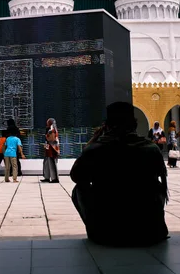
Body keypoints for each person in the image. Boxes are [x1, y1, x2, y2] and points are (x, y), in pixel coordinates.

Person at [71, 102, 168, 246]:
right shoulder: (150, 149)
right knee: (156, 185)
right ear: (134, 125)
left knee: (79, 189)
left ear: (107, 125)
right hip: (149, 233)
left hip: (108, 234)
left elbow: (76, 176)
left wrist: (94, 140)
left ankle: (97, 228)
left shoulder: (96, 150)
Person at [41, 118, 60, 183]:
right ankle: (47, 177)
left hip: (52, 149)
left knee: (52, 163)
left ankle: (54, 178)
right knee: (46, 163)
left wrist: (47, 136)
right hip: (49, 148)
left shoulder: (52, 129)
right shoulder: (50, 129)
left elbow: (51, 139)